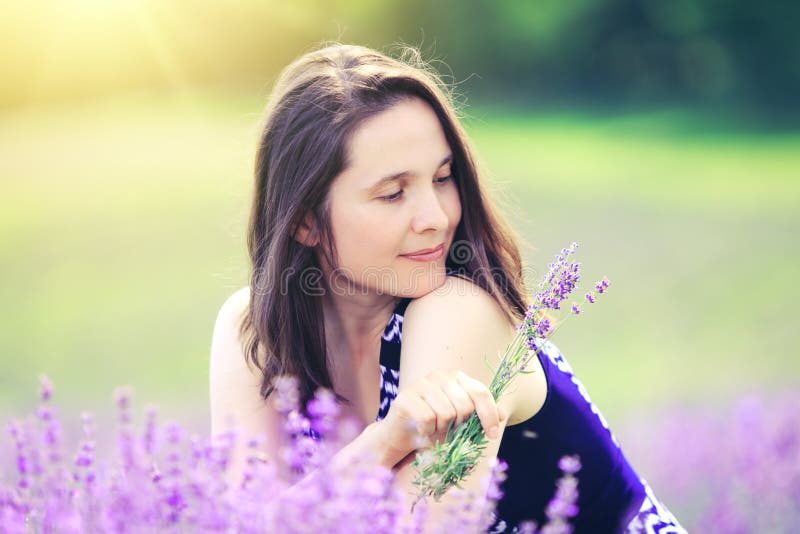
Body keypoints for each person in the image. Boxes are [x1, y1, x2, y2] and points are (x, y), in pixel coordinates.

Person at [209, 42, 685, 533]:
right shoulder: (255, 328)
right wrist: (386, 441)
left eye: (443, 178)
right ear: (305, 221)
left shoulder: (456, 313)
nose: (436, 219)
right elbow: (242, 525)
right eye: (393, 194)